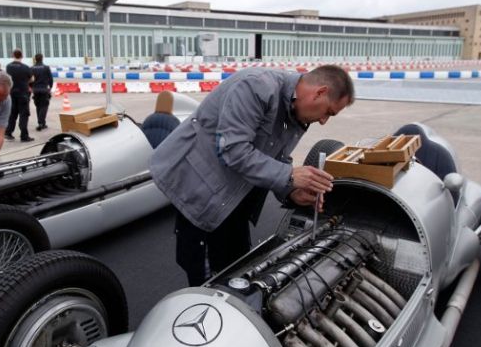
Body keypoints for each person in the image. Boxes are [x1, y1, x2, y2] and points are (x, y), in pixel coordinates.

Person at [150, 64, 355, 286]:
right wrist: (289, 175)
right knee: (206, 278)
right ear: (320, 92)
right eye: (328, 112)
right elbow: (234, 150)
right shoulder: (256, 86)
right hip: (198, 185)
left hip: (234, 191)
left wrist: (292, 190)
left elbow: (274, 156)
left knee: (237, 265)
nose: (324, 121)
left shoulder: (294, 111)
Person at [5, 49, 34, 142]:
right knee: (23, 115)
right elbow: (32, 79)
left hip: (12, 93)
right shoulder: (26, 67)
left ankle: (8, 132)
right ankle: (24, 135)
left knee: (12, 114)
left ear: (13, 55)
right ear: (22, 56)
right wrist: (25, 82)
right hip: (23, 93)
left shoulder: (8, 67)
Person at [30, 53, 54, 131]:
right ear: (42, 58)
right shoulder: (46, 68)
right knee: (44, 106)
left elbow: (30, 79)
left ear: (35, 59)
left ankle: (42, 123)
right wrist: (50, 87)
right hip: (44, 89)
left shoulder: (32, 68)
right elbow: (50, 79)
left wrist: (31, 87)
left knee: (38, 106)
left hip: (35, 90)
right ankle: (41, 122)